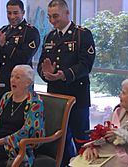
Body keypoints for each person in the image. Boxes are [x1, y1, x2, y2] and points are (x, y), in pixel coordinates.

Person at [37, 0, 95, 166]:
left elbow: (86, 65)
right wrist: (46, 74)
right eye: (49, 17)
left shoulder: (82, 34)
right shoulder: (50, 36)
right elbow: (42, 64)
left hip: (77, 97)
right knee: (59, 141)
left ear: (67, 13)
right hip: (56, 98)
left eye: (55, 16)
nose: (52, 21)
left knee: (81, 140)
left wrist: (64, 75)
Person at [81, 77, 128, 167]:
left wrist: (122, 136)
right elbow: (104, 134)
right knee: (84, 158)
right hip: (107, 151)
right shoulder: (118, 111)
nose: (119, 95)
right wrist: (93, 146)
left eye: (124, 93)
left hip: (127, 156)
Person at [0, 0, 40, 115]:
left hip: (21, 84)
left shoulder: (30, 32)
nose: (12, 17)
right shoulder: (5, 30)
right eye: (9, 13)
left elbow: (24, 58)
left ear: (23, 12)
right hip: (3, 82)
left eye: (15, 13)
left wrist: (6, 45)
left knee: (16, 118)